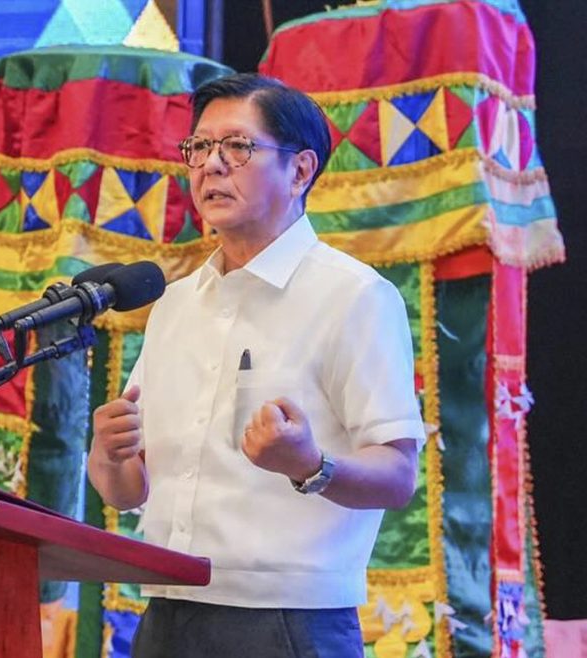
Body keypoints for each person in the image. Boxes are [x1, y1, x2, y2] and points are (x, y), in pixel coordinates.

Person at [87, 73, 426, 657]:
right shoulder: (174, 304)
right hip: (168, 614)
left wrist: (310, 465)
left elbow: (398, 476)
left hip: (289, 623)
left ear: (299, 171)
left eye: (237, 147)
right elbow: (130, 489)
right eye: (198, 148)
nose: (211, 166)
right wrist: (108, 457)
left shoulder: (353, 297)